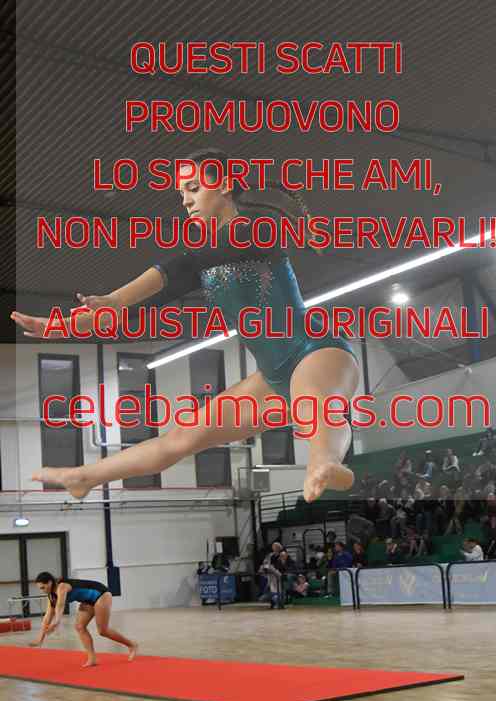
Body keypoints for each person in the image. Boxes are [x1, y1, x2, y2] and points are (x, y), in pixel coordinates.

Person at [11, 149, 360, 505]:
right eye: (182, 193)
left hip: (314, 350)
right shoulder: (209, 260)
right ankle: (84, 477)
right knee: (182, 438)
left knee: (313, 404)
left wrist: (115, 298)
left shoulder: (256, 229)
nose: (186, 201)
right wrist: (62, 326)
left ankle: (325, 461)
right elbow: (144, 306)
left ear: (224, 185)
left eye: (193, 188)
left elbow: (183, 266)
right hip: (272, 377)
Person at [32, 571, 137, 667]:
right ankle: (92, 658)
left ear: (50, 583)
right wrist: (40, 639)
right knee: (80, 627)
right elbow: (47, 617)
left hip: (101, 594)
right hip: (87, 601)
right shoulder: (51, 596)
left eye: (43, 587)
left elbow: (60, 605)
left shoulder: (62, 586)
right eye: (40, 588)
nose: (42, 591)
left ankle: (131, 645)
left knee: (103, 631)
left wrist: (56, 622)